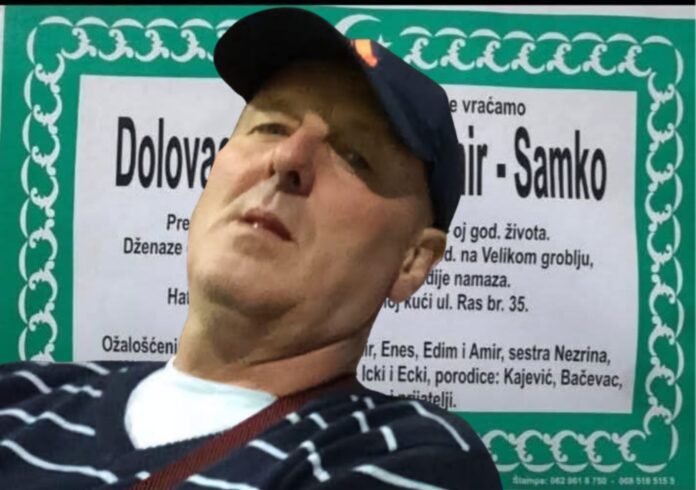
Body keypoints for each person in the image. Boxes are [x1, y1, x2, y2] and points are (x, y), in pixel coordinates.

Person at [0, 7, 502, 490]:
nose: (288, 158)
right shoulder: (22, 395)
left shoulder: (406, 455)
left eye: (355, 156)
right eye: (270, 127)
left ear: (413, 260)